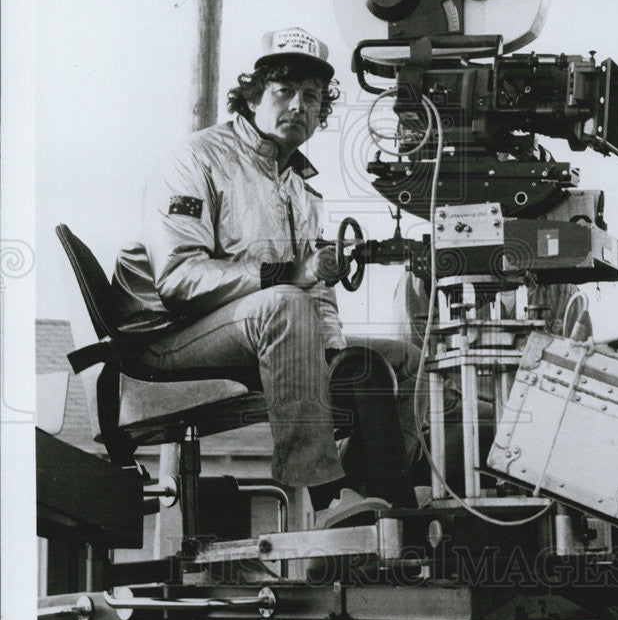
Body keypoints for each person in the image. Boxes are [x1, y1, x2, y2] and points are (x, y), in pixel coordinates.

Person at [112, 27, 416, 521]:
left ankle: (374, 501)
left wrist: (332, 350)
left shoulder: (300, 187)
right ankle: (324, 500)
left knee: (402, 359)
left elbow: (315, 295)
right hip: (164, 344)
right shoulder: (195, 160)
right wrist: (292, 272)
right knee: (285, 302)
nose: (299, 105)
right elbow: (178, 280)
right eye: (284, 91)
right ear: (252, 96)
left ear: (322, 113)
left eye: (312, 97)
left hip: (265, 337)